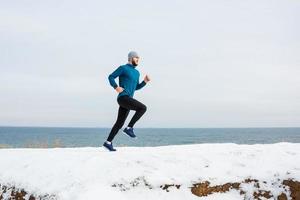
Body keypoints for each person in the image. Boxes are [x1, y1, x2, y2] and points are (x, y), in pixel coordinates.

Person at [103, 51, 150, 151]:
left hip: (128, 99)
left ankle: (108, 142)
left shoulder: (137, 73)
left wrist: (144, 82)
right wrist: (116, 87)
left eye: (138, 58)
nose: (137, 60)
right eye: (136, 57)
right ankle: (129, 128)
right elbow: (111, 76)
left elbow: (136, 87)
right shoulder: (123, 68)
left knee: (119, 123)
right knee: (142, 108)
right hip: (123, 98)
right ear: (130, 58)